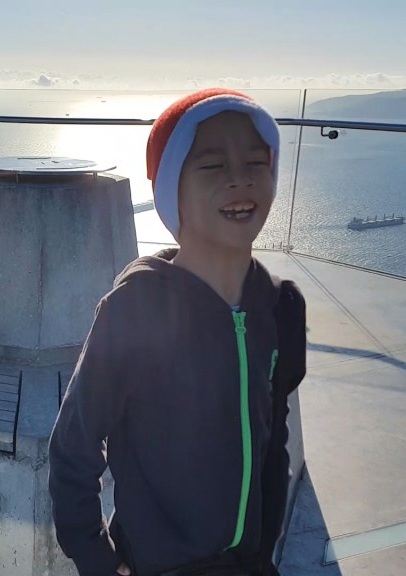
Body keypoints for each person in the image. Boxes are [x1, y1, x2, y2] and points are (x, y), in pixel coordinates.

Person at [48, 88, 307, 576]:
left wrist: (263, 546)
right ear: (172, 190)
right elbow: (74, 445)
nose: (239, 178)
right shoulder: (137, 307)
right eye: (211, 166)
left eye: (257, 161)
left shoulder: (280, 308)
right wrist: (96, 559)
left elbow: (274, 438)